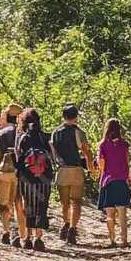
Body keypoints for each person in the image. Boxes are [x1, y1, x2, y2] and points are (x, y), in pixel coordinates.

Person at [51, 103, 96, 245]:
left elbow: (53, 150)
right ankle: (72, 228)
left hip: (62, 170)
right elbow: (86, 151)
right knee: (75, 201)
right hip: (76, 169)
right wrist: (90, 168)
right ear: (76, 117)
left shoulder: (55, 132)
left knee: (64, 201)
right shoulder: (78, 132)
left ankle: (66, 221)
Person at [15, 107, 55, 251]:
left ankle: (29, 238)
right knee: (42, 204)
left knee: (28, 204)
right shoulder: (45, 137)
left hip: (27, 176)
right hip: (44, 176)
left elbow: (18, 156)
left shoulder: (23, 137)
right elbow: (53, 156)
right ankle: (39, 237)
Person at [97, 118, 131, 248]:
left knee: (110, 213)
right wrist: (129, 176)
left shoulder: (103, 145)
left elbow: (101, 164)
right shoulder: (124, 144)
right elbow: (127, 161)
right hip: (122, 179)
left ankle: (112, 239)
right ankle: (124, 239)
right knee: (122, 211)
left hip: (108, 180)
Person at [0, 103, 28, 246]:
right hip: (21, 173)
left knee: (3, 204)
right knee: (19, 204)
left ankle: (6, 231)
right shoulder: (24, 133)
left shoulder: (1, 134)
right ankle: (19, 233)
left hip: (4, 171)